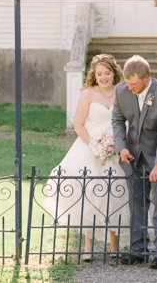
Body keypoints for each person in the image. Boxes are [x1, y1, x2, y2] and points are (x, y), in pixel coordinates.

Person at [44, 53, 129, 261]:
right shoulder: (88, 94)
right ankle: (88, 247)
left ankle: (114, 246)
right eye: (99, 73)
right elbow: (79, 124)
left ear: (113, 72)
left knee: (115, 194)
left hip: (116, 150)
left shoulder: (121, 92)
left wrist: (117, 144)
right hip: (90, 149)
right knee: (89, 194)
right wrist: (94, 145)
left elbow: (127, 119)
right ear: (94, 74)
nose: (103, 77)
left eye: (107, 73)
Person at [112, 54, 157, 270]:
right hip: (133, 157)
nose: (130, 88)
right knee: (137, 205)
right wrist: (122, 147)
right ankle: (138, 251)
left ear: (146, 78)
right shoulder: (121, 91)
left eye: (134, 84)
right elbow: (117, 120)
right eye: (127, 83)